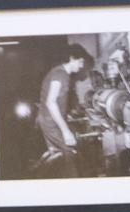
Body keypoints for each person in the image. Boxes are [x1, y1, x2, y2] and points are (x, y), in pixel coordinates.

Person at [35, 43, 90, 177]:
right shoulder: (61, 74)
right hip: (50, 122)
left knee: (58, 156)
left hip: (47, 120)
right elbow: (51, 102)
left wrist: (65, 117)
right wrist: (66, 131)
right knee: (70, 154)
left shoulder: (58, 72)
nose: (82, 65)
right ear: (72, 58)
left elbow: (52, 102)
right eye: (81, 61)